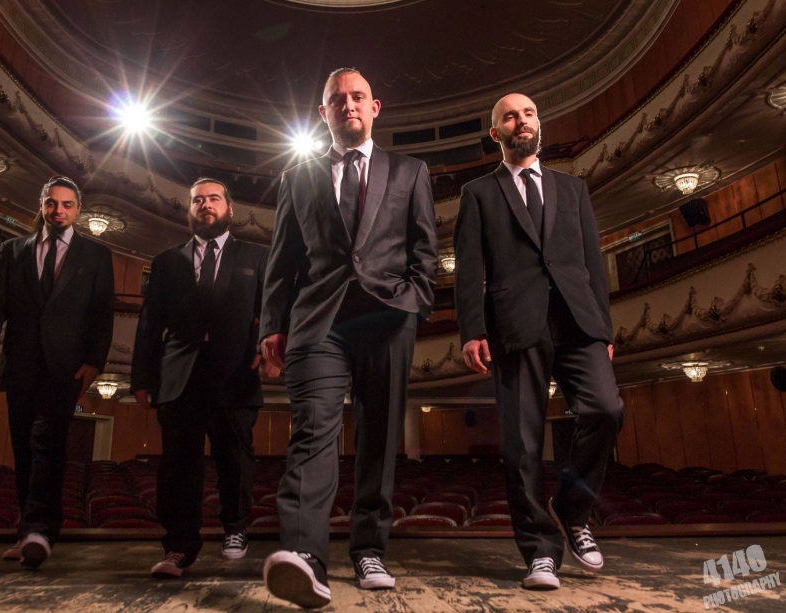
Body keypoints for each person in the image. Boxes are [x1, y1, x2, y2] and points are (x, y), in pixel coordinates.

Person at [259, 67, 438, 608]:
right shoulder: (297, 177)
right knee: (312, 431)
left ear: (375, 107)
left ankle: (369, 550)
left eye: (358, 96)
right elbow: (282, 260)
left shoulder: (410, 170)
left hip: (388, 318)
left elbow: (425, 250)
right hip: (319, 321)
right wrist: (272, 325)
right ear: (324, 113)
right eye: (337, 99)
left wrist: (414, 301)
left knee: (379, 436)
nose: (349, 105)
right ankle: (305, 557)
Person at [453, 93, 624, 589]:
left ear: (538, 124)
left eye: (528, 113)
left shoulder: (574, 188)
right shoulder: (477, 193)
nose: (521, 121)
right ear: (497, 133)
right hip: (514, 322)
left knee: (606, 409)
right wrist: (471, 330)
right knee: (522, 444)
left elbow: (592, 262)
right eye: (510, 116)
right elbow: (469, 269)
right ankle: (539, 553)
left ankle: (572, 509)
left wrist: (604, 327)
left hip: (578, 320)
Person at [0, 175, 115, 569]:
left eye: (67, 204)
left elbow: (102, 314)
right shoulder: (12, 250)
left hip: (66, 367)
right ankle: (31, 531)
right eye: (52, 203)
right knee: (24, 448)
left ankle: (39, 530)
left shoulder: (96, 255)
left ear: (78, 210)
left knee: (46, 443)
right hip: (20, 363)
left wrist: (95, 361)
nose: (58, 210)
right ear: (41, 205)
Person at [131, 178, 269, 579]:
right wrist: (141, 376)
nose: (205, 205)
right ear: (189, 209)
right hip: (179, 374)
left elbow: (273, 310)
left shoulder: (257, 257)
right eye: (197, 200)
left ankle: (235, 528)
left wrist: (268, 348)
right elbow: (149, 324)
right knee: (178, 465)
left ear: (230, 209)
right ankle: (179, 545)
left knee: (235, 459)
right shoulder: (166, 261)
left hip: (236, 371)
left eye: (214, 199)